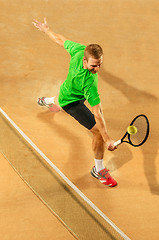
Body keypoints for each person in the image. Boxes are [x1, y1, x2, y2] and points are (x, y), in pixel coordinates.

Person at [32, 18, 118, 187]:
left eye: (100, 65)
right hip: (72, 102)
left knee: (60, 98)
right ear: (85, 61)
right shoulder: (90, 84)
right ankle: (98, 170)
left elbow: (61, 40)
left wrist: (46, 30)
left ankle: (46, 101)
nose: (97, 70)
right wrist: (107, 138)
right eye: (94, 66)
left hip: (69, 90)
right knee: (98, 133)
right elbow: (97, 112)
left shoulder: (79, 51)